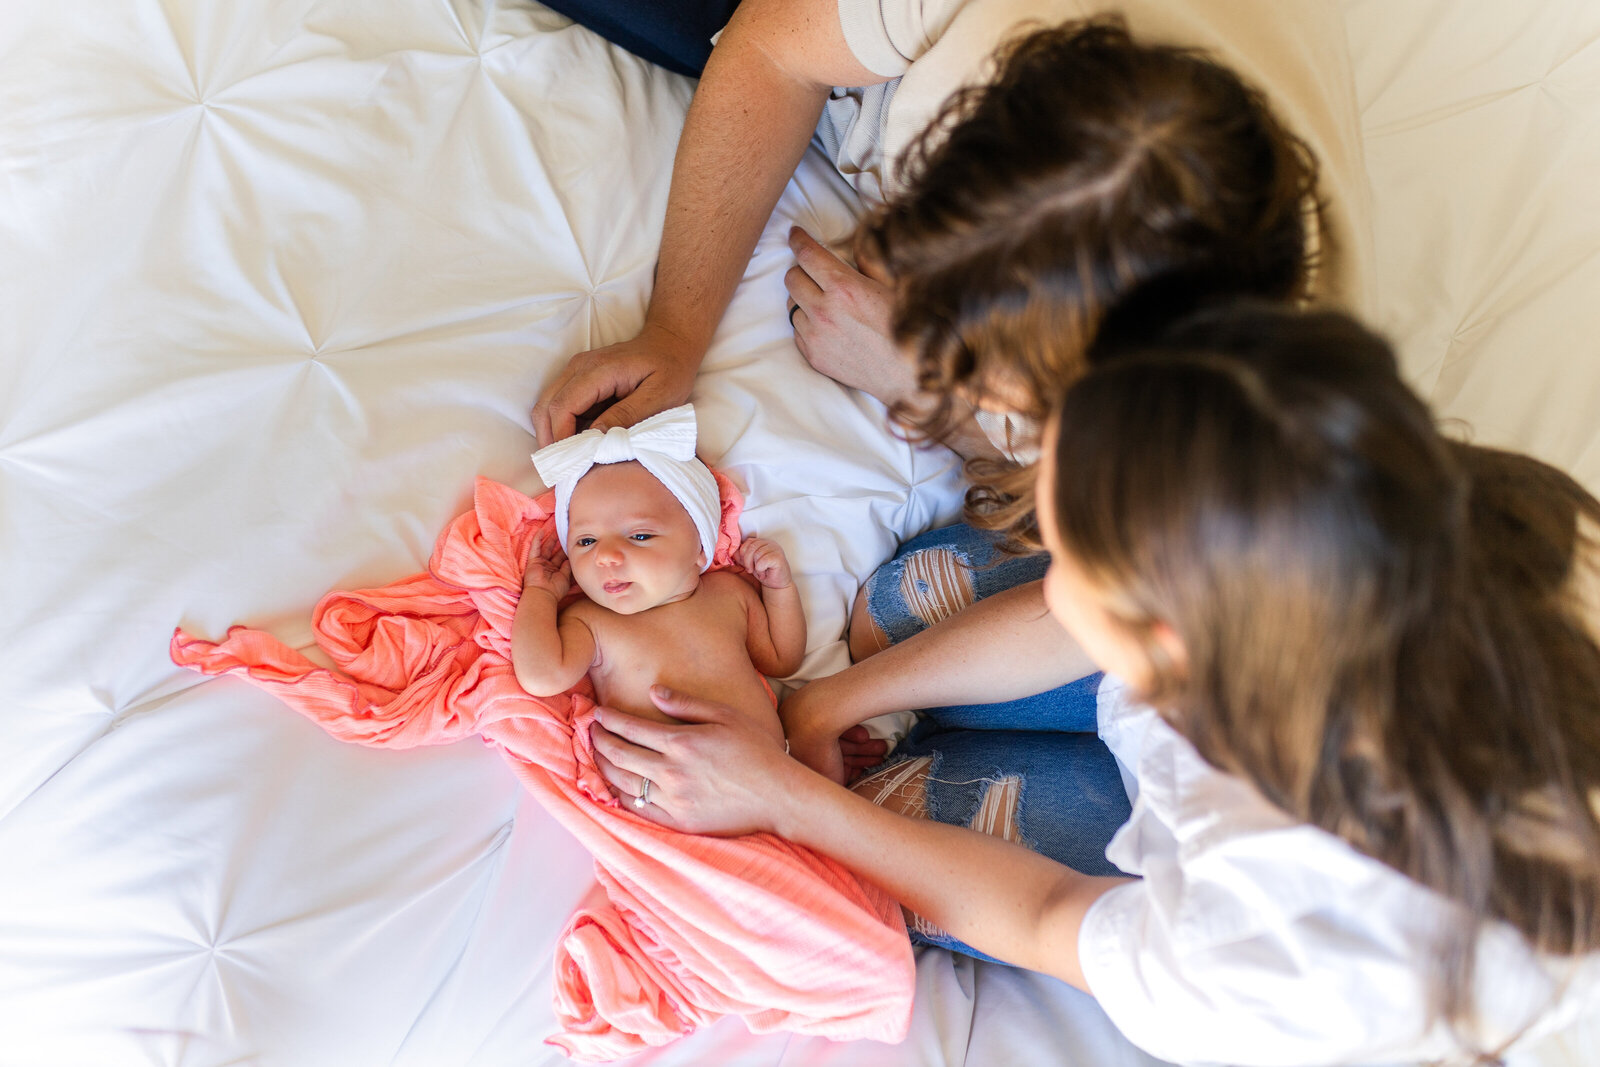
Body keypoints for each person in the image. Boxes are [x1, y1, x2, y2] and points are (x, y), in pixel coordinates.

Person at [579, 306, 1600, 1063]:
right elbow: (1068, 613)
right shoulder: (1446, 513)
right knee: (896, 606)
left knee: (881, 814)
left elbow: (1042, 915)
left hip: (1278, 924)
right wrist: (824, 700)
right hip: (1288, 739)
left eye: (1064, 551)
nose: (1049, 571)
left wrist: (784, 795)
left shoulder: (1266, 948)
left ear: (1166, 624)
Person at [513, 404, 805, 755]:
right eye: (586, 541)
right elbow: (541, 678)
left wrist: (779, 589)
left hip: (772, 778)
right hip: (662, 793)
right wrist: (540, 596)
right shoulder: (591, 623)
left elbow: (782, 660)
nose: (604, 556)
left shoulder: (729, 595)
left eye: (640, 536)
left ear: (701, 547)